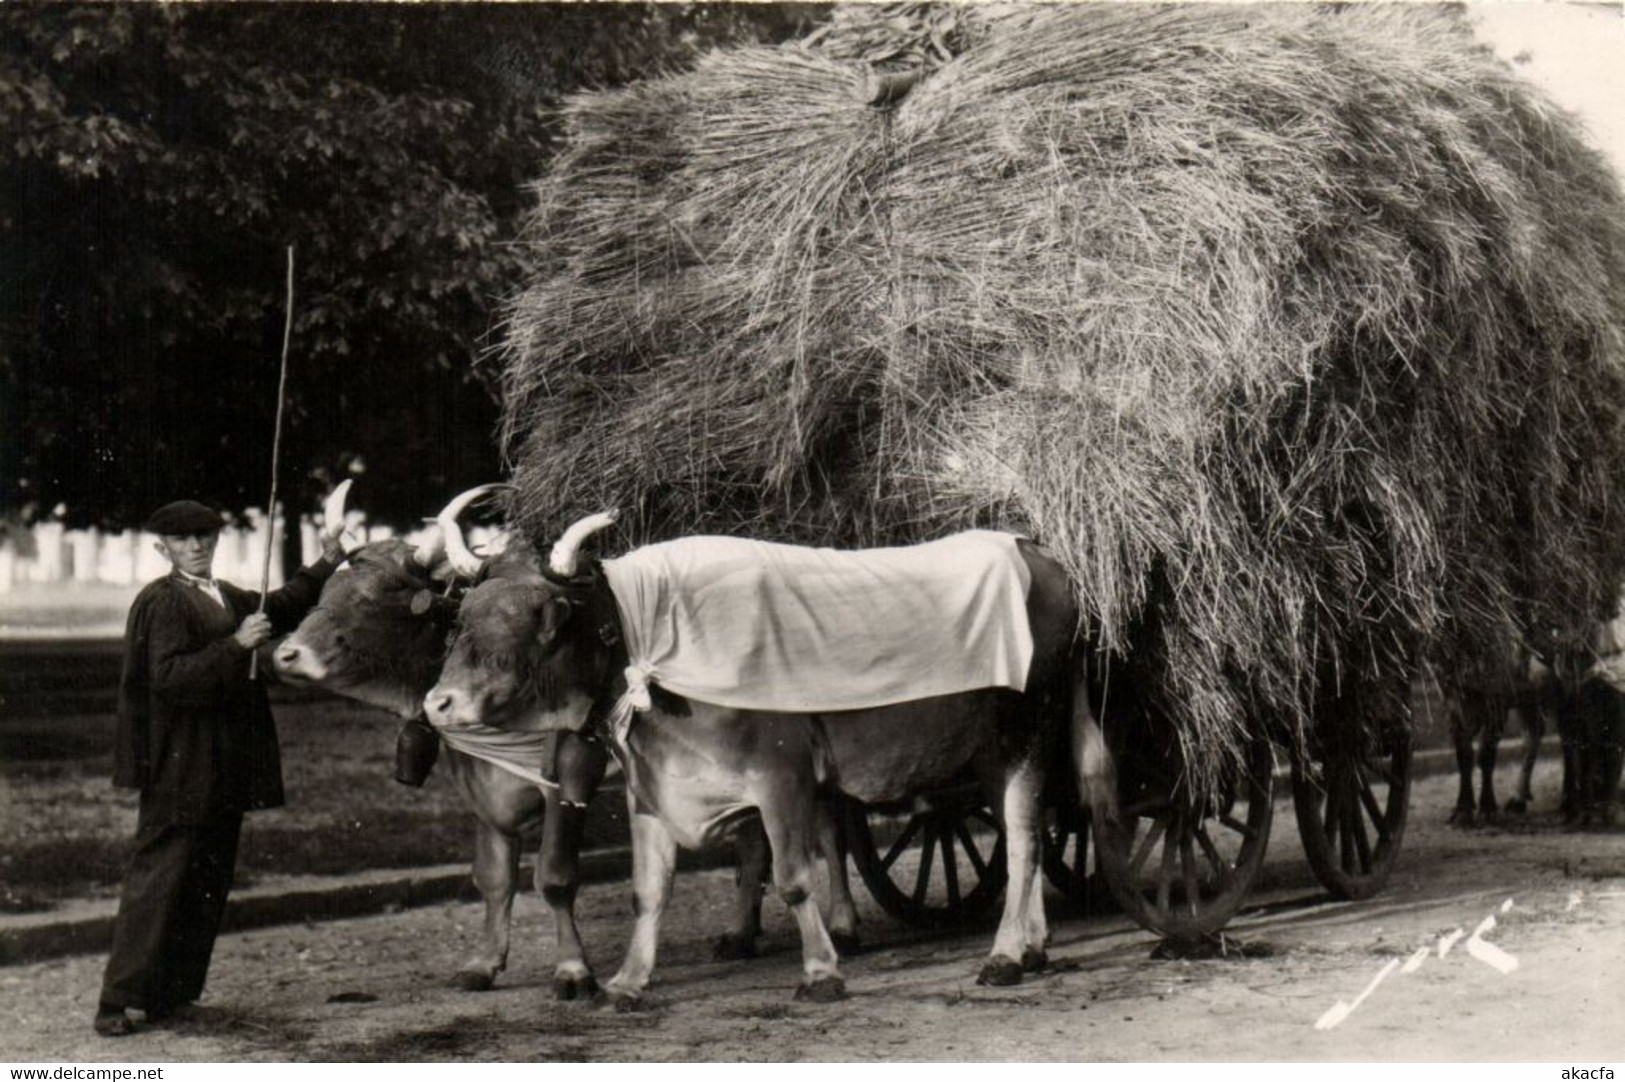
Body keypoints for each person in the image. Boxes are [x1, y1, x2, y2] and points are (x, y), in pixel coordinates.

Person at [93, 499, 350, 1037]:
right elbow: (169, 678)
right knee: (160, 877)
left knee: (206, 879)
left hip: (225, 763)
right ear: (163, 548)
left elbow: (278, 607)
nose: (197, 546)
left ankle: (174, 994)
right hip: (179, 764)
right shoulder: (162, 601)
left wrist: (326, 562)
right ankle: (119, 1002)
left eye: (205, 536)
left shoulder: (225, 594)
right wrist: (236, 645)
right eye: (184, 539)